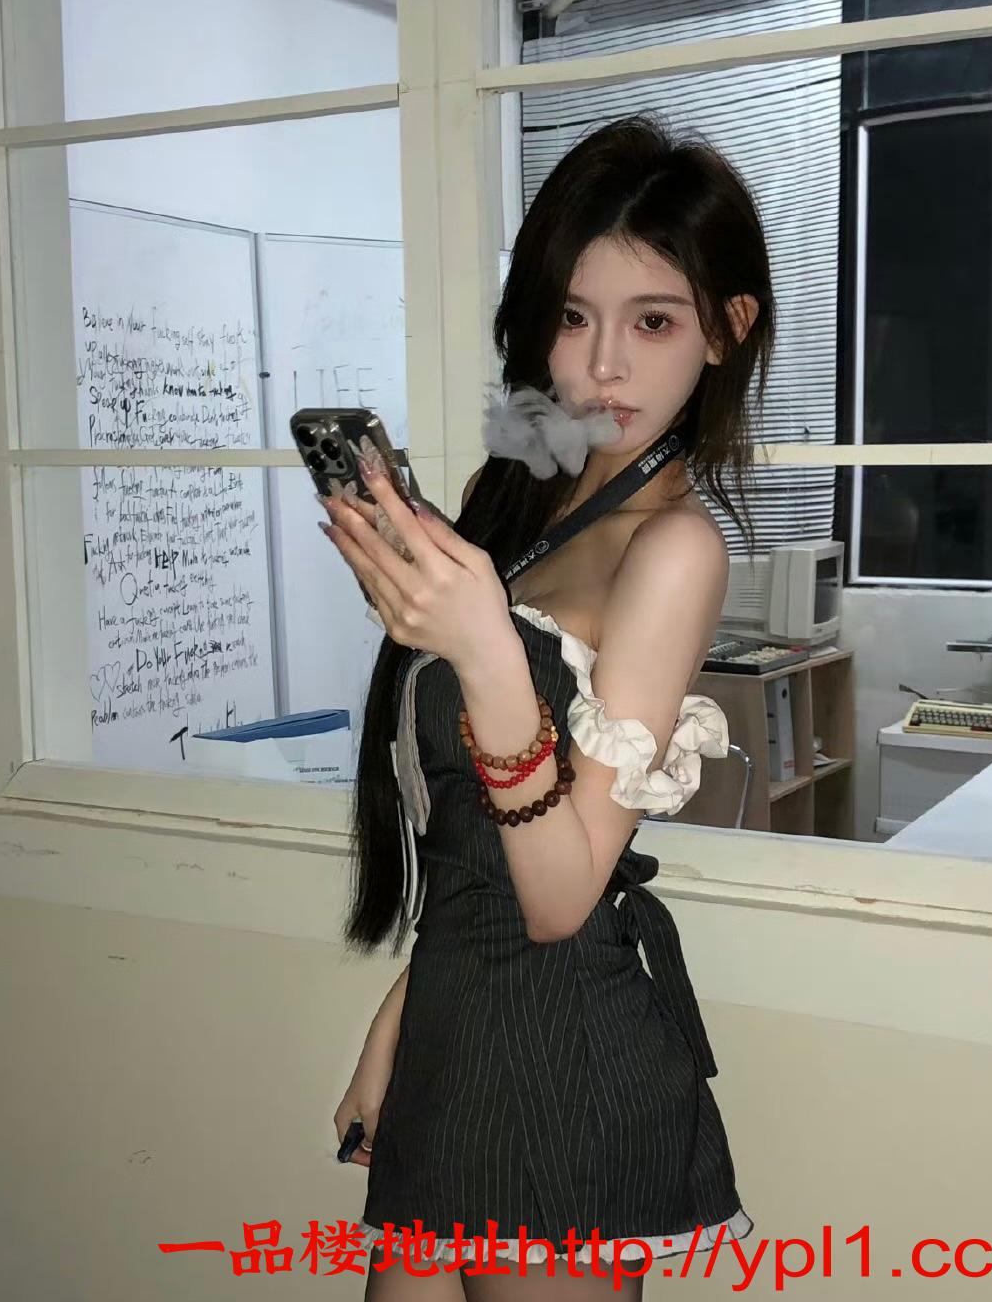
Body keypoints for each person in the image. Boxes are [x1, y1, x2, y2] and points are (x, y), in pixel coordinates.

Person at [321, 112, 775, 1299]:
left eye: (653, 321)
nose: (603, 366)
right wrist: (397, 1032)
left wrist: (484, 651)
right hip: (463, 1027)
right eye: (574, 318)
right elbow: (474, 848)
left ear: (727, 329)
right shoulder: (519, 502)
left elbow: (566, 891)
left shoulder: (675, 550)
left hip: (560, 1057)